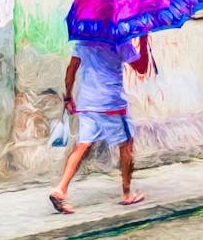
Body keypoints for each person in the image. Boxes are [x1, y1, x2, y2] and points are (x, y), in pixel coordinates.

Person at [49, 35, 151, 214]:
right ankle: (127, 193)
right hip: (111, 103)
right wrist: (143, 40)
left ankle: (61, 189)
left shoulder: (83, 41)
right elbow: (141, 68)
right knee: (126, 144)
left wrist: (68, 96)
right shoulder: (120, 40)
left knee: (82, 145)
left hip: (87, 102)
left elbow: (71, 70)